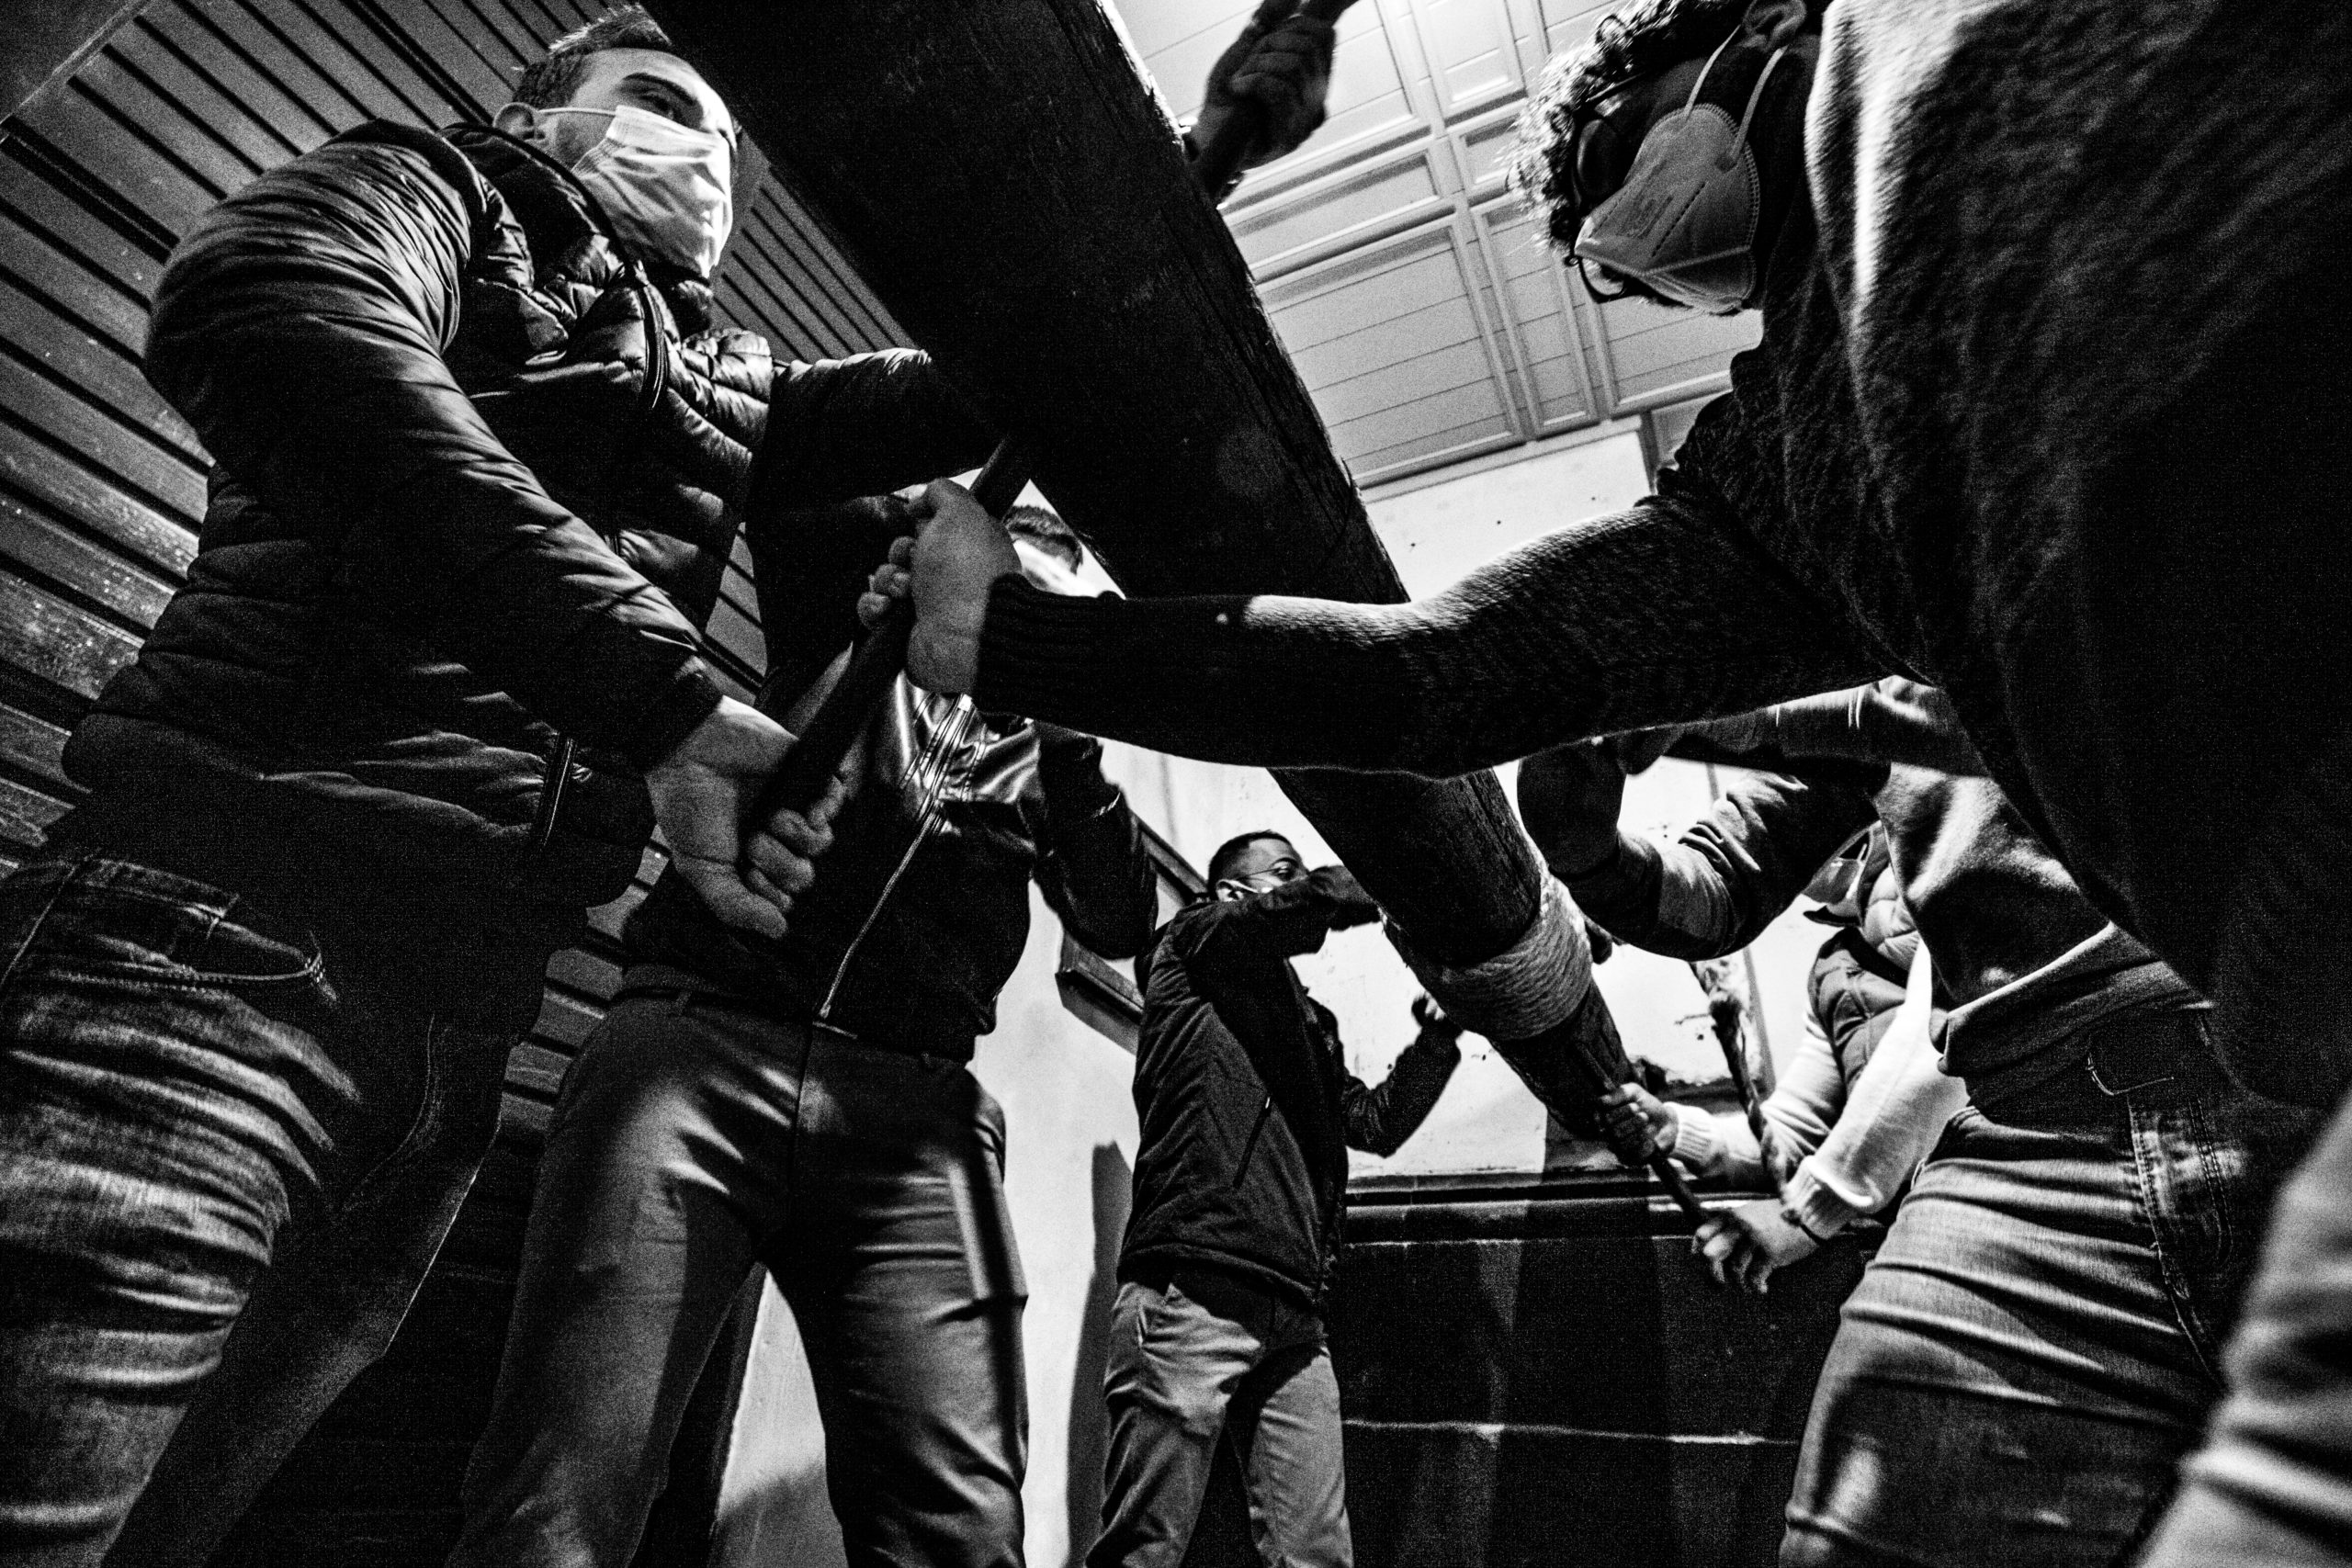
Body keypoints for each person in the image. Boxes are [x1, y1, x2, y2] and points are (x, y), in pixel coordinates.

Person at [447, 500, 1159, 1568]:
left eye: (1056, 626)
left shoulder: (1049, 764)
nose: (1022, 640)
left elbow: (1118, 918)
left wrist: (1070, 729)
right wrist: (907, 587)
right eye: (1016, 606)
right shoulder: (853, 621)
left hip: (913, 1109)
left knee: (960, 1527)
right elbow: (811, 483)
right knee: (558, 1504)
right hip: (702, 1041)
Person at [1514, 691, 2317, 1565]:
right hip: (2037, 1121)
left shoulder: (1933, 924)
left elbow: (1919, 1059)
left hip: (2285, 1059)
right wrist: (1675, 1123)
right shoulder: (1840, 970)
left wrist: (1814, 1206)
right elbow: (1781, 1103)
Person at [1091, 832, 1463, 1568]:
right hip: (1195, 1286)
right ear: (1233, 893)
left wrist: (1438, 1041)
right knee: (1145, 1548)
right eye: (1284, 872)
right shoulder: (1190, 942)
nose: (1302, 882)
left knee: (1316, 1552)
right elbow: (1297, 909)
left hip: (1295, 1312)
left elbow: (1373, 1122)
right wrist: (1392, 872)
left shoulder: (1313, 1027)